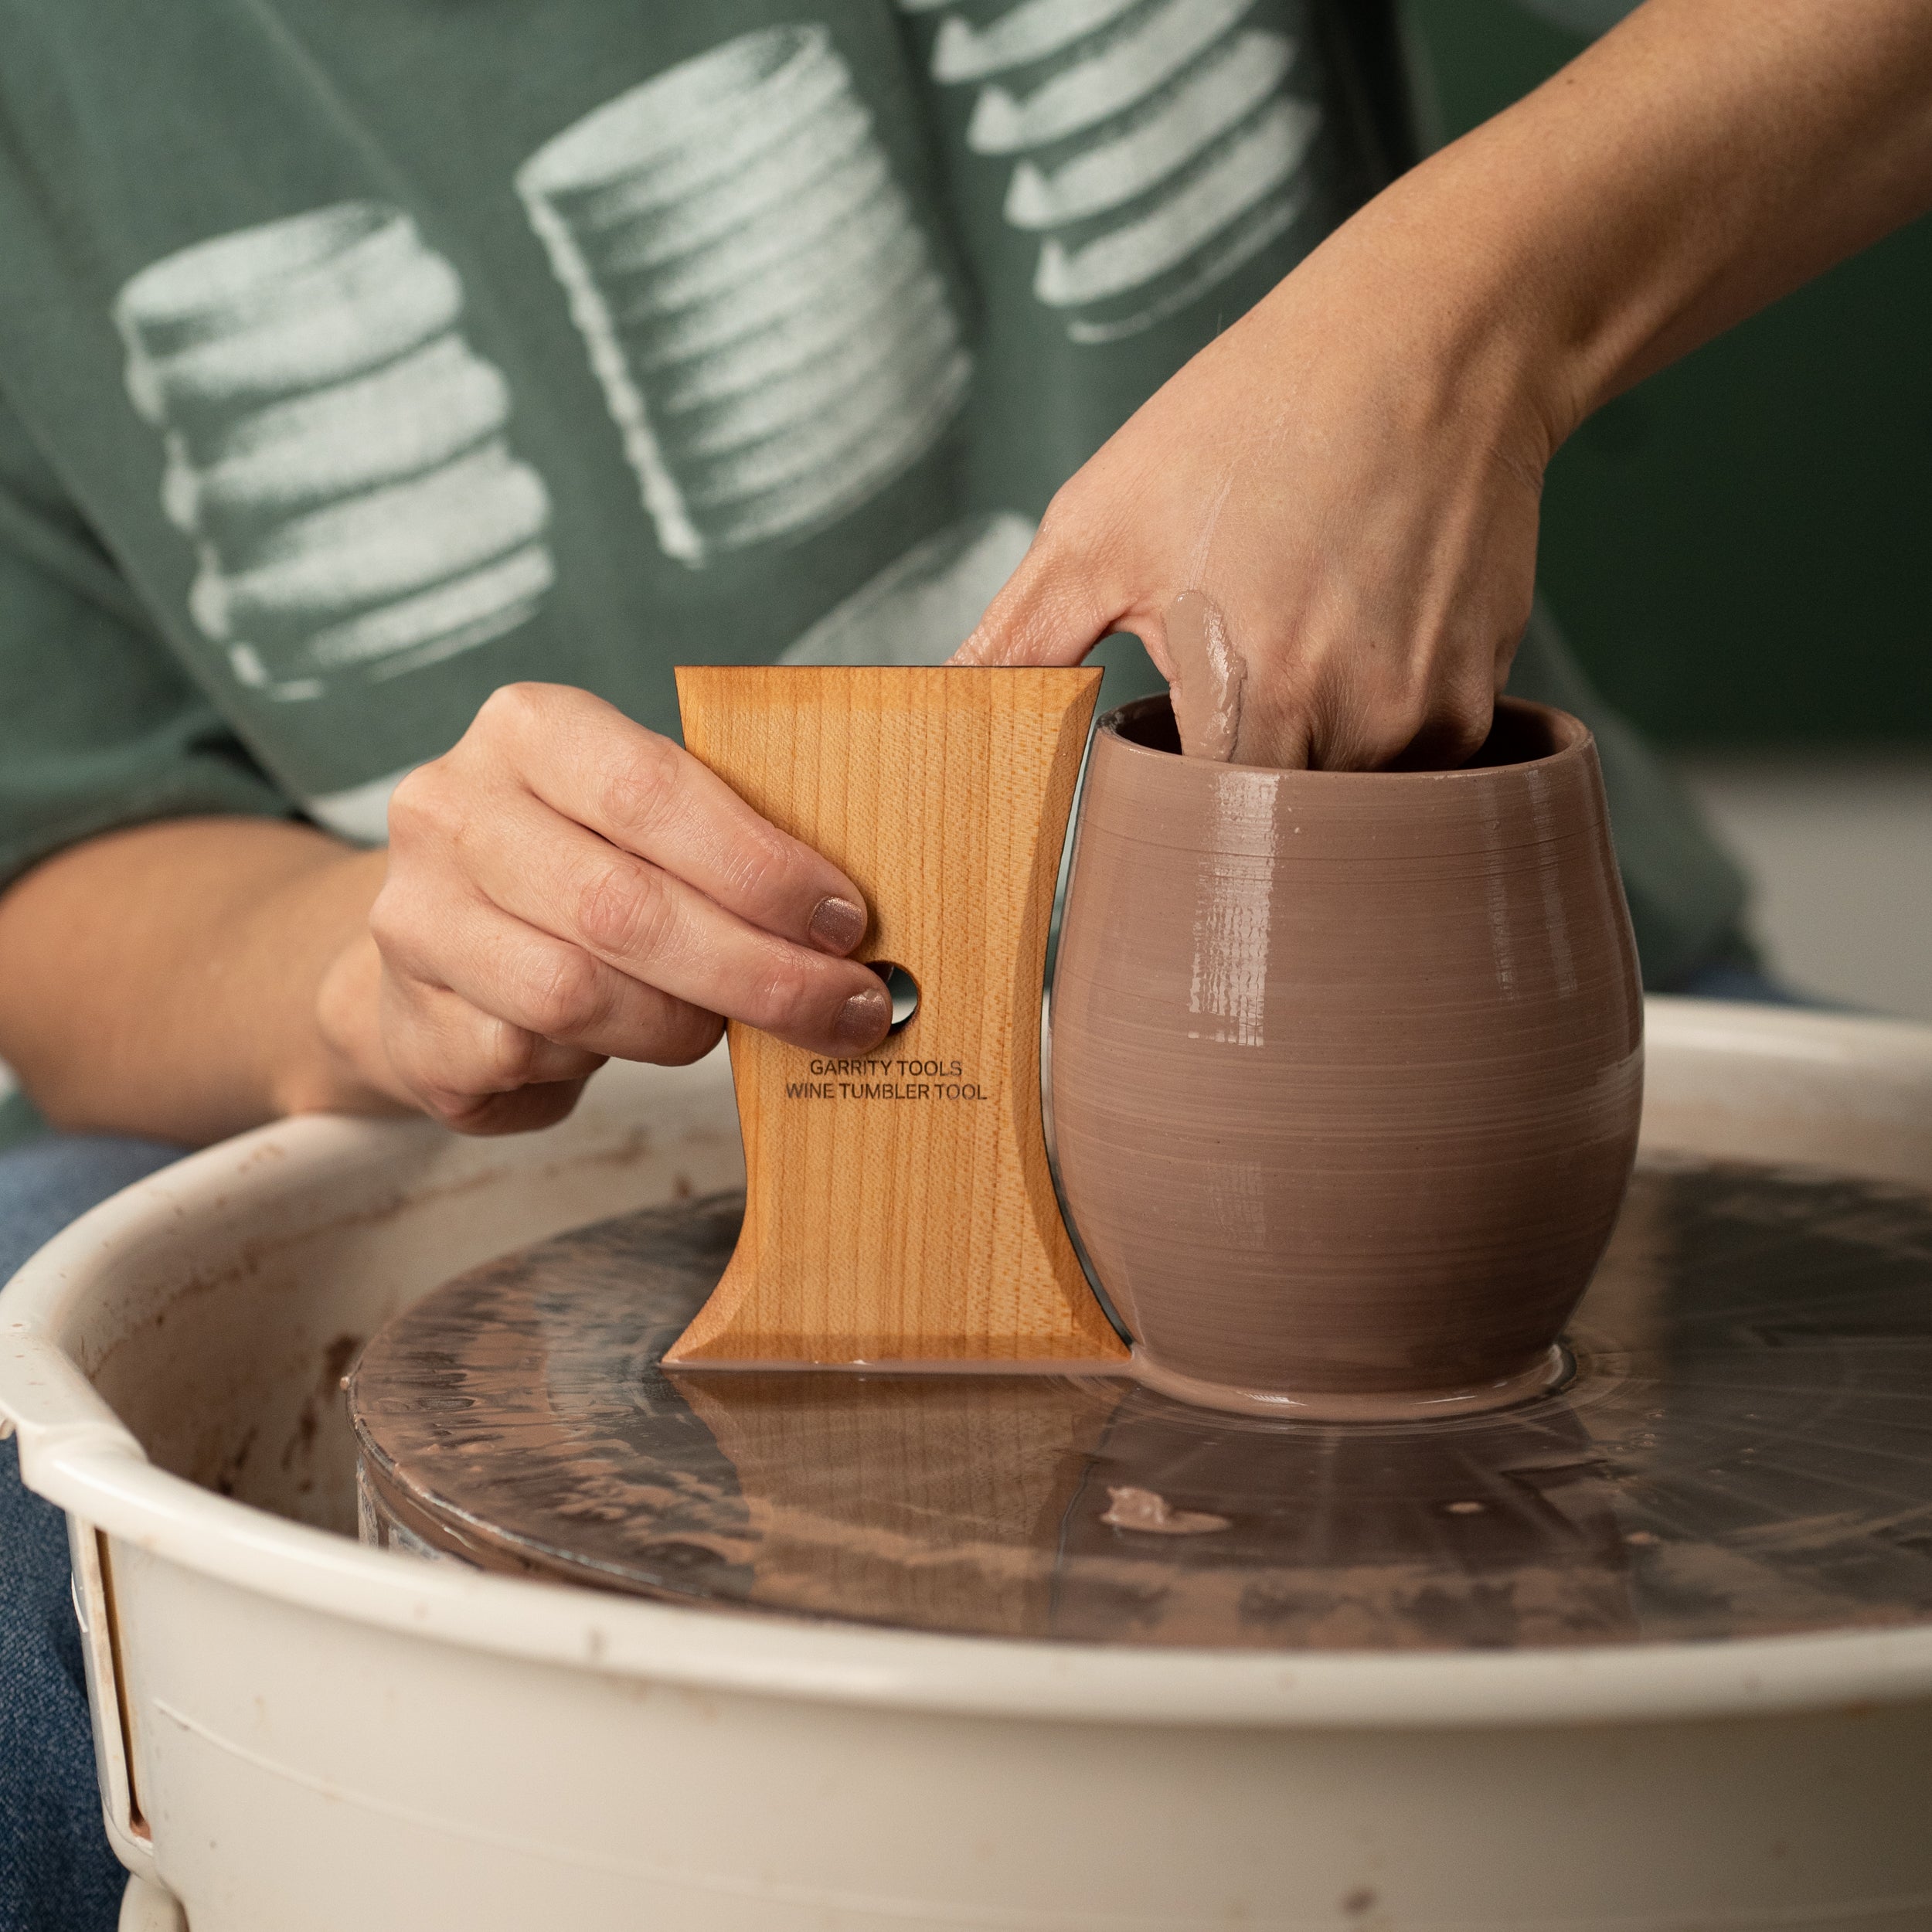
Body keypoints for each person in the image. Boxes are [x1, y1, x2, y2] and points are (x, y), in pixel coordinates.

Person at [0, 1, 1927, 1923]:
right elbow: (59, 873)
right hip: (589, 1107)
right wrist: (372, 963)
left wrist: (1459, 322)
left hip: (1497, 1048)